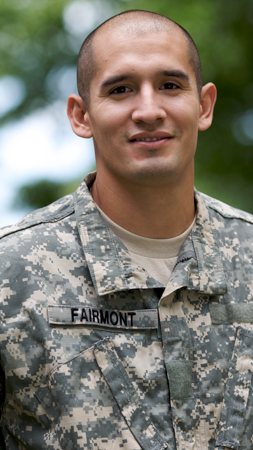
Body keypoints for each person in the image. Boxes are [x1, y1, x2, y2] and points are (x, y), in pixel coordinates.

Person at [0, 9, 253, 450]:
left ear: (204, 105)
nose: (149, 110)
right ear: (81, 116)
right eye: (121, 90)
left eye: (171, 85)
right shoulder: (11, 274)